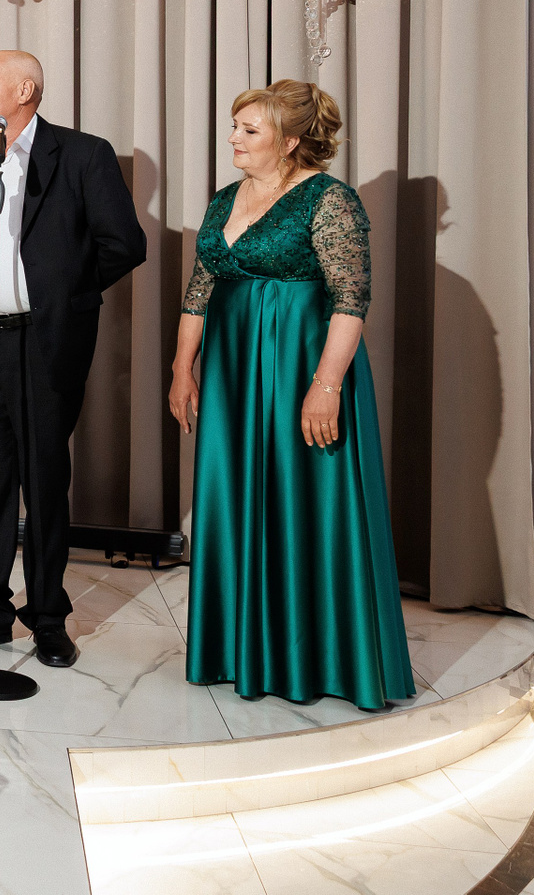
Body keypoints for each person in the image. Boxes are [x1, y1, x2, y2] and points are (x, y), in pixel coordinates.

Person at [170, 82, 414, 711]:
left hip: (301, 367)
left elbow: (350, 301)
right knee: (234, 495)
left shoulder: (330, 200)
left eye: (249, 130)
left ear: (289, 141)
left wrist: (326, 387)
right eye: (235, 126)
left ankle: (319, 659)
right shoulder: (224, 199)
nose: (233, 138)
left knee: (305, 503)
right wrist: (181, 368)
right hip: (232, 374)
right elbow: (199, 290)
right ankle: (236, 651)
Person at [0, 51, 146, 669]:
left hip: (45, 342)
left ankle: (48, 616)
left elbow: (125, 243)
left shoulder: (82, 155)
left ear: (25, 90)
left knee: (45, 481)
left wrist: (62, 292)